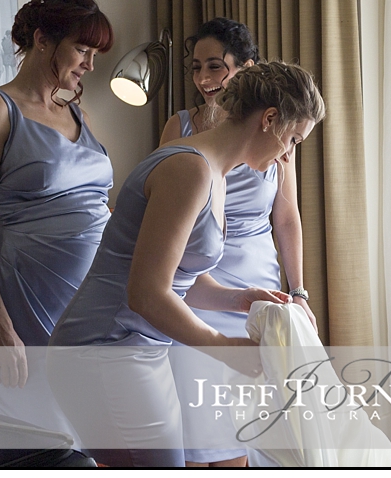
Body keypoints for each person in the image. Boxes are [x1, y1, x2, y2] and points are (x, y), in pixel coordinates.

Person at [48, 61, 326, 467]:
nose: (289, 156)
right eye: (294, 140)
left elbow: (180, 279)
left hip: (137, 347)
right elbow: (146, 293)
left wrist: (239, 298)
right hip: (105, 348)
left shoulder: (212, 171)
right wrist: (225, 348)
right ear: (269, 119)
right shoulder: (189, 170)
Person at [0, 0, 114, 437]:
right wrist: (2, 330)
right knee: (37, 437)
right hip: (27, 301)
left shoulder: (76, 111)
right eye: (82, 49)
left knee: (93, 437)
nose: (90, 64)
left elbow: (94, 202)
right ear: (42, 40)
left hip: (90, 301)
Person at [159, 18, 315, 467]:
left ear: (246, 68)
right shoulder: (182, 128)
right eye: (196, 68)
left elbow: (286, 216)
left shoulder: (277, 131)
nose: (204, 80)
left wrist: (298, 291)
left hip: (254, 277)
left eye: (215, 67)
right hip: (196, 281)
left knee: (247, 416)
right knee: (200, 410)